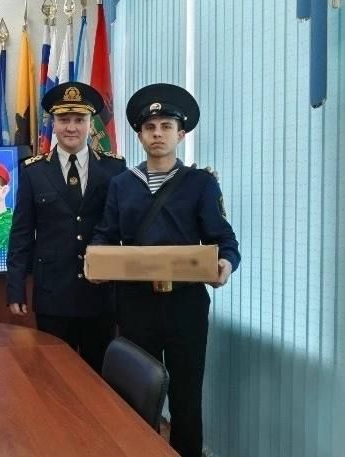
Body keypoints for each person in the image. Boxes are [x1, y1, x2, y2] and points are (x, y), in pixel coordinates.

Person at [90, 83, 240, 457]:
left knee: (186, 396)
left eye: (166, 127)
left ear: (181, 134)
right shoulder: (122, 185)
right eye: (150, 127)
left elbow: (224, 239)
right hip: (135, 303)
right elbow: (105, 234)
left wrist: (225, 265)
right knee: (136, 394)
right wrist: (97, 261)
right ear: (140, 135)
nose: (157, 134)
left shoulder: (200, 183)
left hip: (186, 305)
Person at [6, 81, 126, 372]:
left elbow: (123, 228)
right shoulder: (33, 170)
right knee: (54, 376)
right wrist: (15, 289)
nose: (71, 127)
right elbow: (22, 233)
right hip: (53, 295)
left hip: (99, 294)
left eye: (79, 120)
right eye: (64, 120)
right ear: (53, 124)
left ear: (90, 124)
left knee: (99, 377)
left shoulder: (114, 169)